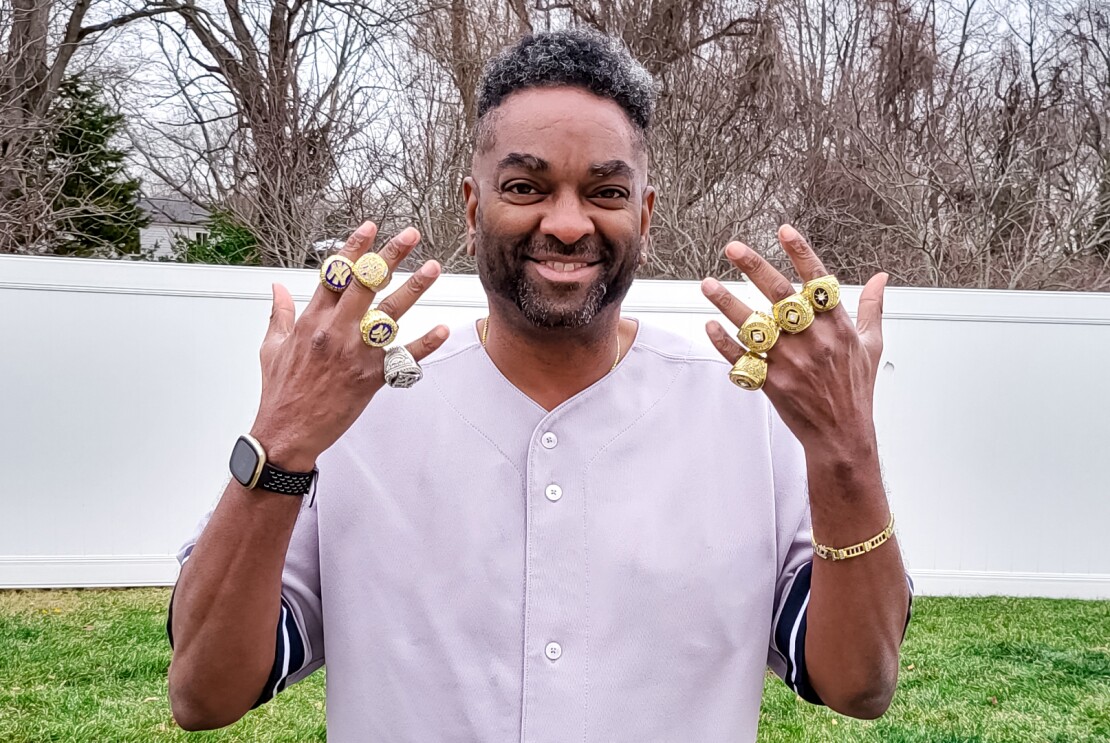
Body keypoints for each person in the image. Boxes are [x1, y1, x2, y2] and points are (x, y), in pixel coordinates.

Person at [166, 30, 912, 741]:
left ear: (644, 216)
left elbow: (857, 685)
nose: (565, 223)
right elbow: (204, 692)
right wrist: (282, 441)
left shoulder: (746, 414)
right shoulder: (356, 412)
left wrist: (847, 447)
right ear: (471, 208)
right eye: (526, 185)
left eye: (606, 192)